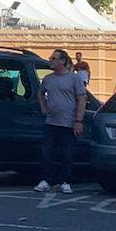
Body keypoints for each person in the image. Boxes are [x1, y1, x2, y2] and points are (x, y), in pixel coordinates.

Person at [35, 49, 86, 195]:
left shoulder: (74, 79)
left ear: (62, 61)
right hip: (51, 122)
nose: (50, 60)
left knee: (67, 153)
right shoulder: (48, 79)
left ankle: (66, 181)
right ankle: (45, 180)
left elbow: (82, 99)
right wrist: (44, 107)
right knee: (47, 153)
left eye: (53, 58)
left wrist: (78, 120)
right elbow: (40, 93)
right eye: (50, 58)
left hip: (68, 123)